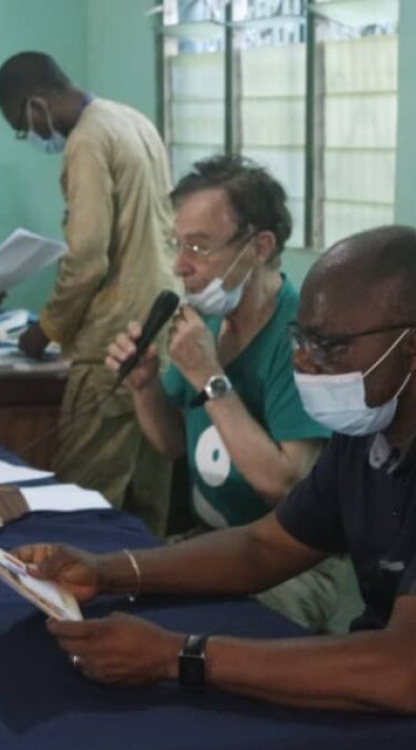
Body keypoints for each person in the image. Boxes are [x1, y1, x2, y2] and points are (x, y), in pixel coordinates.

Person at [20, 226, 416, 750]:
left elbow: (404, 671)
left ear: (415, 347)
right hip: (398, 730)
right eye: (300, 339)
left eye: (328, 345)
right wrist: (110, 571)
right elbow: (268, 546)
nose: (305, 362)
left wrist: (173, 656)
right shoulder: (377, 423)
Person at [105, 155, 343, 631]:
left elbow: (283, 485)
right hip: (213, 541)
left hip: (290, 560)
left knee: (196, 639)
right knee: (108, 600)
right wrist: (146, 387)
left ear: (258, 247)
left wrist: (211, 379)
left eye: (199, 246)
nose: (181, 265)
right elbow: (175, 443)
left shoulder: (302, 339)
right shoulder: (209, 319)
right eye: (178, 244)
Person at [0, 52, 178, 535]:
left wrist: (46, 329)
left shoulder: (87, 139)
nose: (30, 136)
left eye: (22, 126)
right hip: (159, 327)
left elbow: (89, 255)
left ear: (37, 105)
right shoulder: (129, 119)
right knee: (147, 505)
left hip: (112, 346)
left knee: (84, 504)